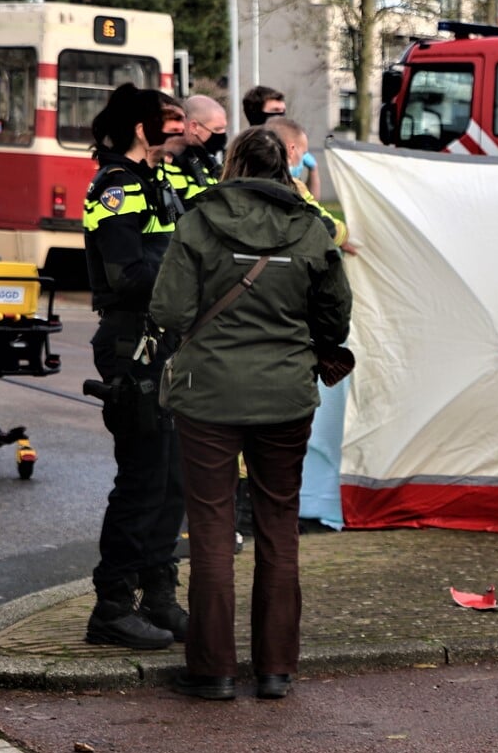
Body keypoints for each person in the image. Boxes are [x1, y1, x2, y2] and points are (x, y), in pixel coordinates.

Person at [149, 127, 352, 701]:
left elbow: (168, 308)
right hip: (286, 394)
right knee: (279, 526)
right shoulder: (312, 229)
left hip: (208, 392)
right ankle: (275, 669)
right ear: (286, 166)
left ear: (233, 162)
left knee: (212, 528)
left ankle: (213, 670)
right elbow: (335, 320)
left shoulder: (197, 221)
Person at [82, 84, 191, 650]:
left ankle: (160, 595)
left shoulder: (156, 179)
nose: (180, 127)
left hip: (166, 341)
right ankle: (112, 607)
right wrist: (192, 279)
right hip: (132, 343)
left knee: (172, 480)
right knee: (142, 482)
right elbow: (127, 274)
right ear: (141, 130)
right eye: (168, 120)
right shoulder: (116, 186)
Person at [267, 116, 355, 253]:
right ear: (291, 150)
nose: (304, 159)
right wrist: (344, 235)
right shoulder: (293, 187)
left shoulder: (241, 177)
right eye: (304, 153)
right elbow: (324, 223)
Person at [162, 95, 229, 200]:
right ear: (194, 127)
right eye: (217, 129)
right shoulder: (166, 160)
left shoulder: (205, 159)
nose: (222, 135)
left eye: (224, 129)